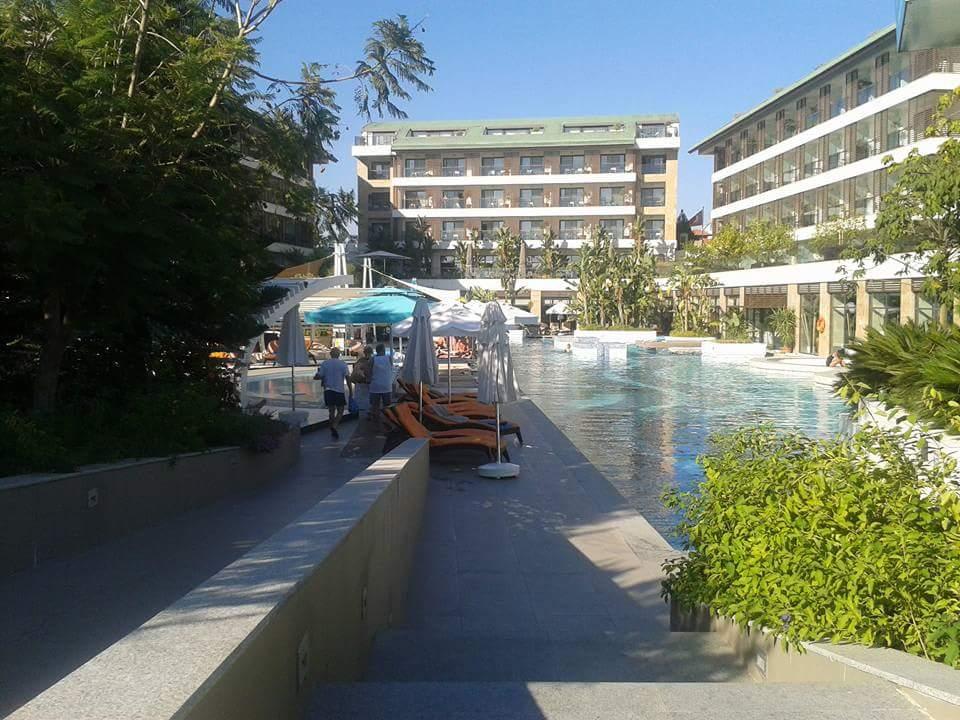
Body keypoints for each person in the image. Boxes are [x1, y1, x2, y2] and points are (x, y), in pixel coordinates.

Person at [316, 347, 352, 439]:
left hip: (328, 390)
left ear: (330, 354)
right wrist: (351, 390)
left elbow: (319, 375)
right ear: (339, 354)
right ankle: (334, 426)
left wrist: (316, 376)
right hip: (339, 390)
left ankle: (331, 427)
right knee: (340, 410)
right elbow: (348, 378)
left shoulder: (325, 363)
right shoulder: (343, 364)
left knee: (331, 411)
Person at [368, 343, 394, 425]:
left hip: (375, 386)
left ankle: (376, 423)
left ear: (376, 350)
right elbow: (391, 368)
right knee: (387, 406)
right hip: (386, 385)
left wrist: (369, 379)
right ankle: (387, 422)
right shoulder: (389, 358)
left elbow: (369, 372)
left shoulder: (372, 359)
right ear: (383, 350)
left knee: (375, 406)